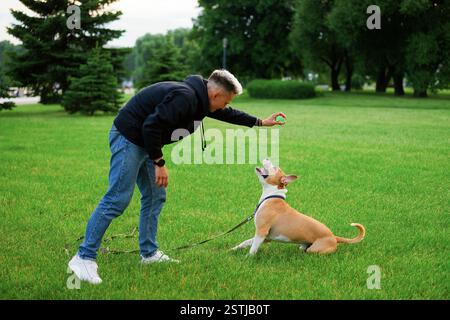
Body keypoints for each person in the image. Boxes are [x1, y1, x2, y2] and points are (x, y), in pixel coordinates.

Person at [68, 69, 286, 284]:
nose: (225, 106)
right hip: (130, 138)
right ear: (216, 95)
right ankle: (83, 258)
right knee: (117, 198)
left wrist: (260, 122)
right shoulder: (186, 97)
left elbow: (225, 113)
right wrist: (159, 163)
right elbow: (150, 125)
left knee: (155, 196)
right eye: (226, 101)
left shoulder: (200, 98)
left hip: (144, 143)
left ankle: (149, 253)